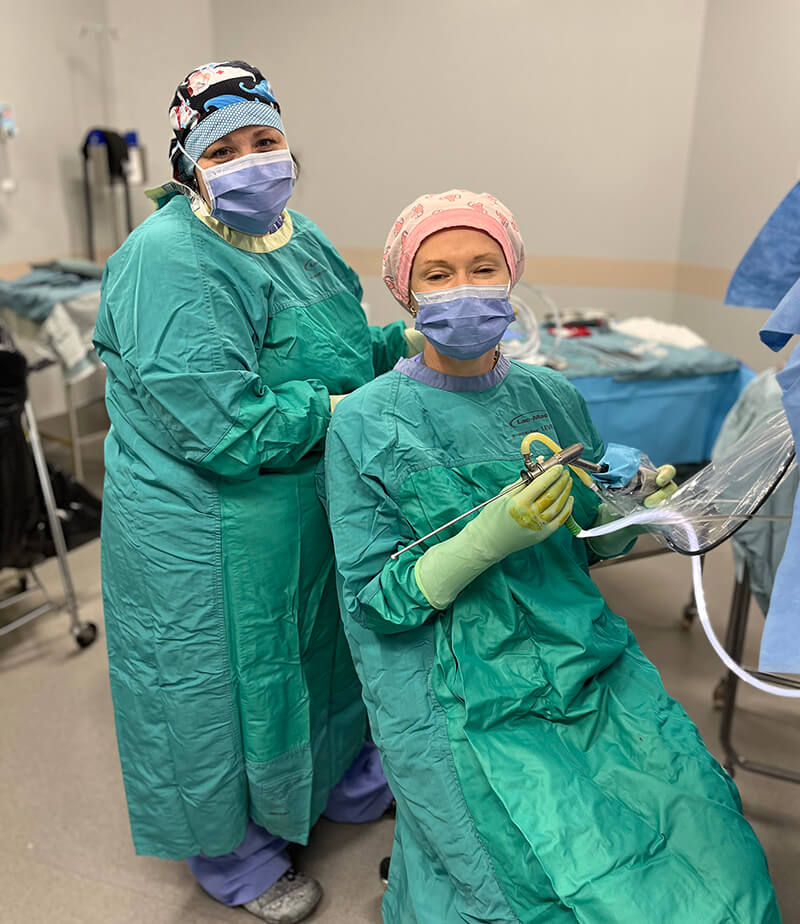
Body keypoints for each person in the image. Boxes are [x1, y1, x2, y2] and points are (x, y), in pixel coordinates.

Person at [323, 190, 781, 923]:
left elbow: (585, 535)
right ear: (404, 290)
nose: (464, 289)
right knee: (531, 891)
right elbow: (377, 596)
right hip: (462, 687)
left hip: (585, 659)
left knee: (717, 857)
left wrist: (634, 512)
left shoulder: (551, 396)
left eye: (483, 267)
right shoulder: (369, 422)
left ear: (514, 278)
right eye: (438, 275)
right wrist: (485, 538)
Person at [93, 61, 420, 923]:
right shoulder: (165, 260)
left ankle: (339, 790)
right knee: (215, 688)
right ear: (187, 164)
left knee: (314, 656)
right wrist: (351, 408)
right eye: (224, 148)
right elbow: (225, 427)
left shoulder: (293, 234)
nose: (251, 161)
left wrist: (410, 348)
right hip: (201, 526)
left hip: (299, 508)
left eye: (264, 141)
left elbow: (336, 348)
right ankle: (234, 859)